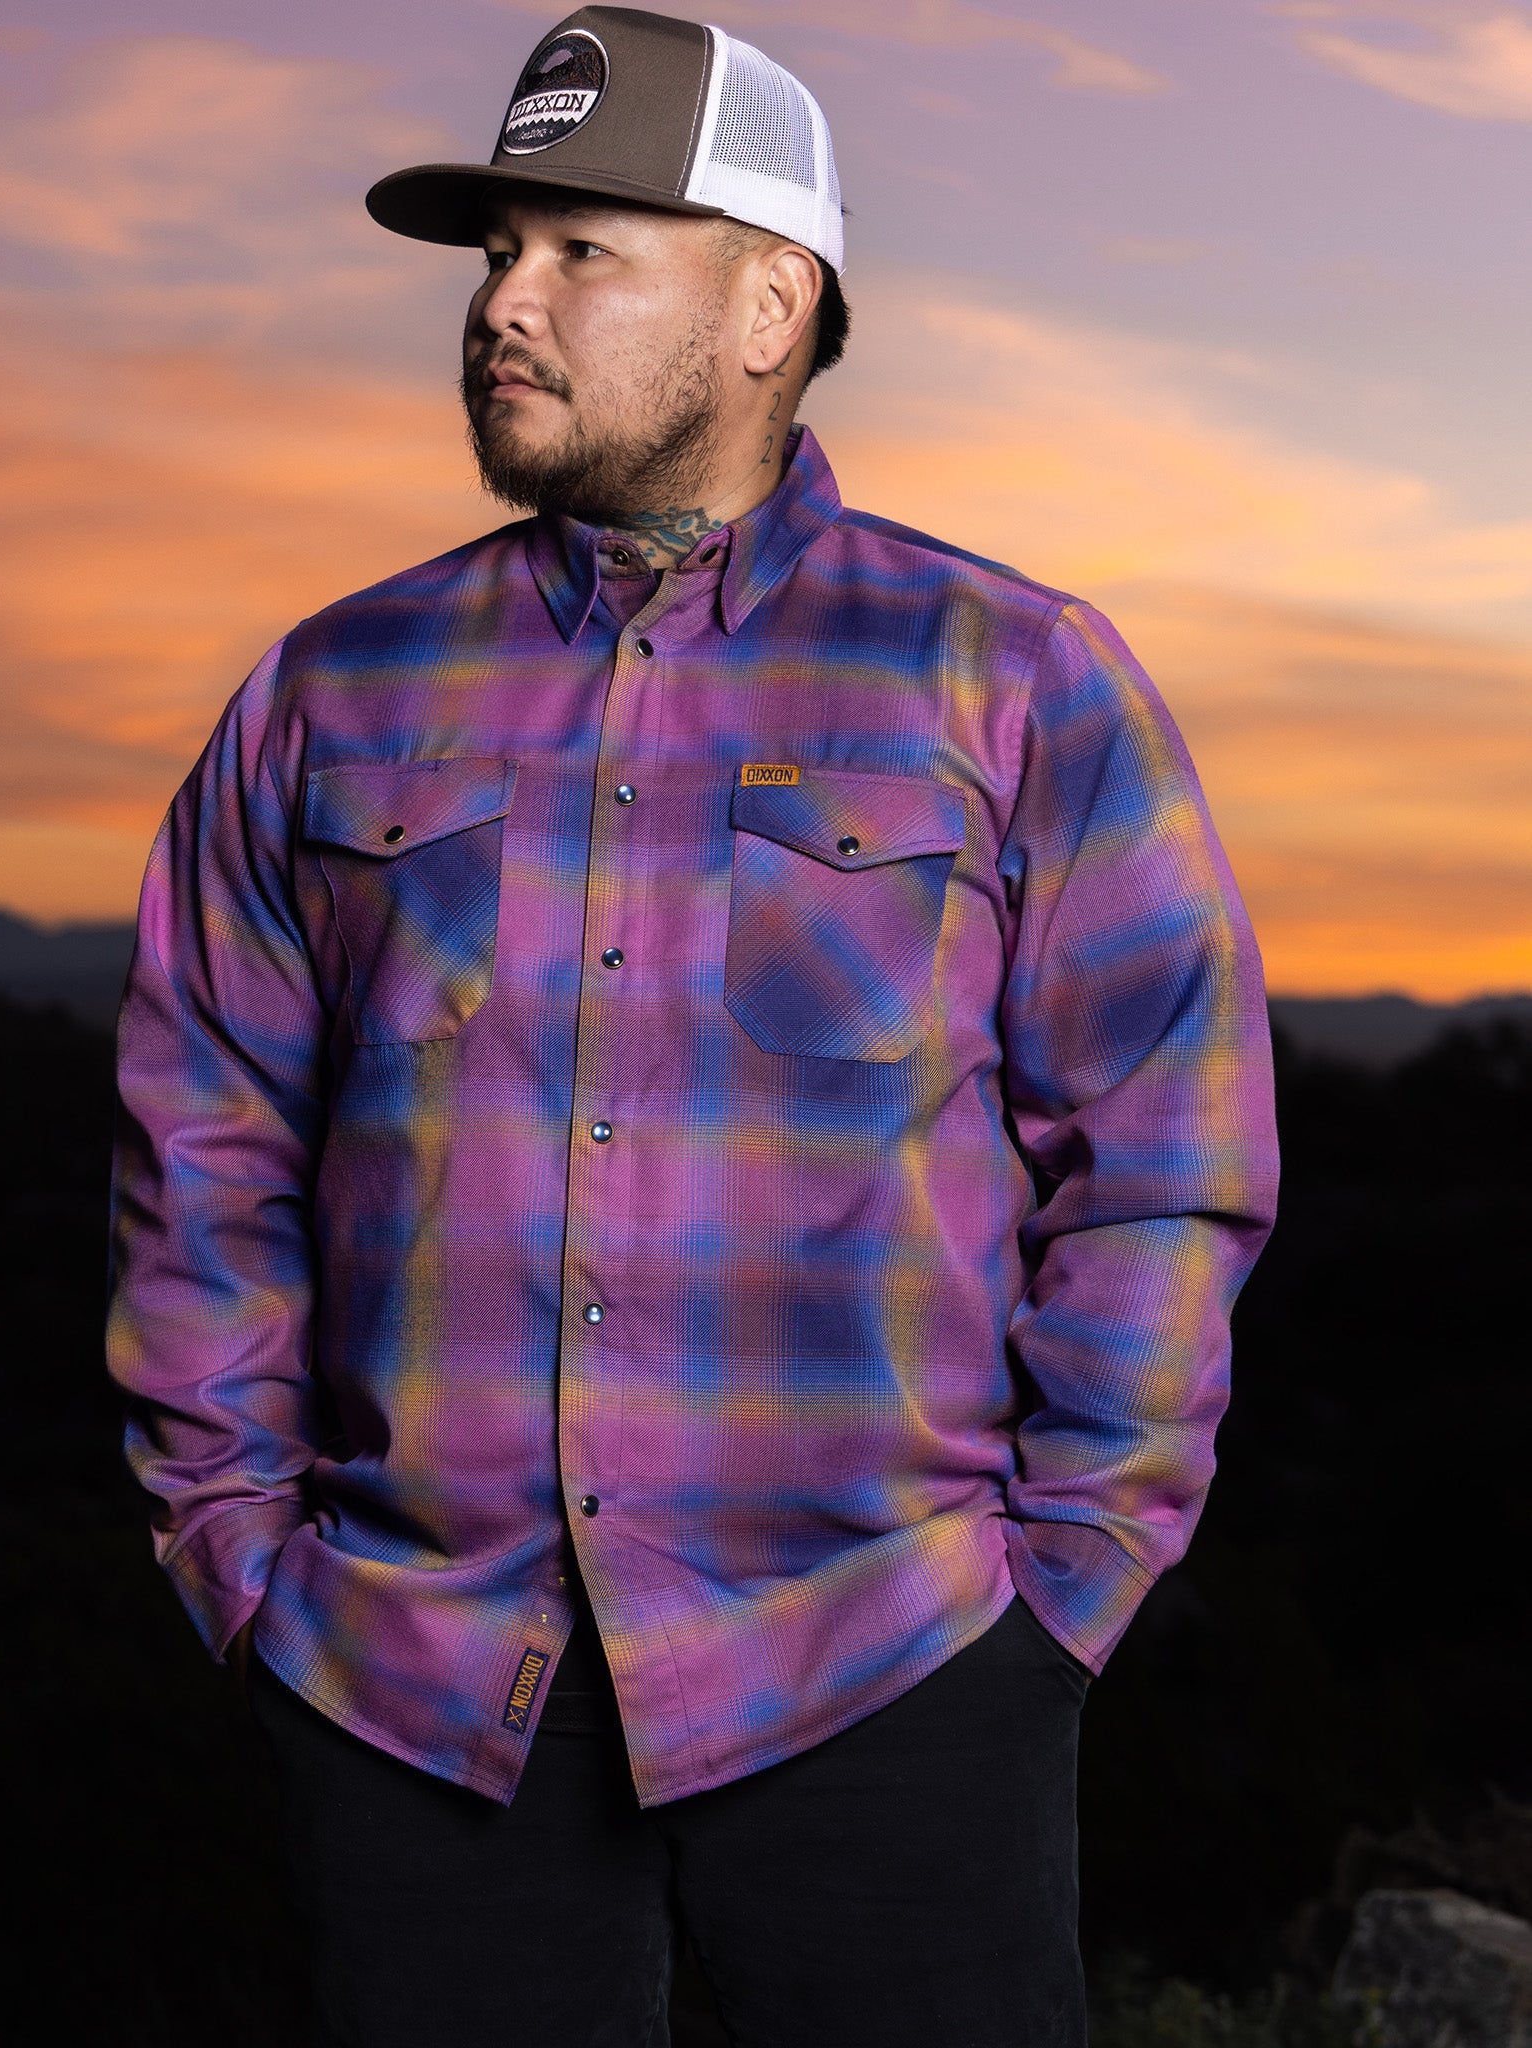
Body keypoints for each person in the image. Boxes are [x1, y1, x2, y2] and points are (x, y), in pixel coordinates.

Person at [106, 8, 1280, 2043]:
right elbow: (198, 1138)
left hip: (893, 1669)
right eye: (500, 255)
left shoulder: (1016, 674)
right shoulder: (332, 687)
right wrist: (240, 1556)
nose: (505, 303)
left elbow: (1166, 1155)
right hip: (411, 1691)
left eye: (583, 251)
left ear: (766, 305)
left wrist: (1067, 1580)